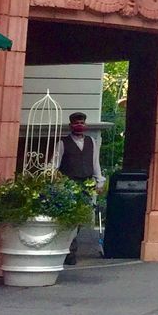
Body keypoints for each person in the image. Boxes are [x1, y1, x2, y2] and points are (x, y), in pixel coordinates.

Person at [52, 112, 104, 264]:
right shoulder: (62, 143)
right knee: (69, 218)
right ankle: (69, 251)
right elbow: (55, 164)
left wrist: (99, 182)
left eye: (82, 122)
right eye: (76, 123)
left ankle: (71, 248)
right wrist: (54, 180)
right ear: (70, 125)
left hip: (86, 184)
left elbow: (95, 164)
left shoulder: (91, 142)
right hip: (69, 184)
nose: (79, 125)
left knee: (80, 218)